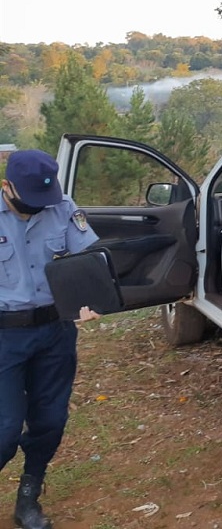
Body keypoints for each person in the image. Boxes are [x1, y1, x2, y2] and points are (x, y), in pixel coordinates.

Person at [0, 150, 100, 529]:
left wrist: (92, 296)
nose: (40, 206)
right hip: (4, 336)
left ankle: (29, 495)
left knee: (51, 421)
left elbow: (90, 257)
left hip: (55, 333)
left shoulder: (61, 207)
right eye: (31, 198)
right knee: (5, 429)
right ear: (7, 187)